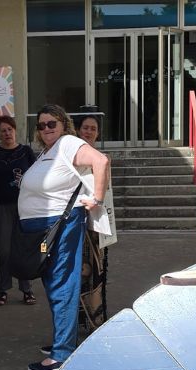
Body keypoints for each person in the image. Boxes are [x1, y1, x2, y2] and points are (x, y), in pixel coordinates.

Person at [18, 104, 110, 370]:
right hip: (43, 229)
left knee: (61, 284)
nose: (46, 128)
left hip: (60, 225)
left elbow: (101, 161)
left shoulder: (69, 143)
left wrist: (97, 199)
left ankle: (62, 353)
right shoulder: (48, 151)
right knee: (53, 283)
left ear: (63, 125)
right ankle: (64, 339)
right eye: (41, 125)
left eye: (51, 124)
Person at [0, 115, 38, 306]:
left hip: (23, 207)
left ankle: (26, 290)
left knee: (23, 249)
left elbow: (36, 174)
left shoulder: (26, 151)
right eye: (3, 130)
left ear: (15, 130)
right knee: (3, 250)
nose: (7, 133)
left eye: (9, 129)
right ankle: (3, 290)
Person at [75, 114, 113, 333]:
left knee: (96, 275)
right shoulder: (72, 157)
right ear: (79, 130)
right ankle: (76, 323)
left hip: (97, 227)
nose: (89, 132)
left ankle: (94, 323)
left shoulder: (102, 158)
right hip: (75, 225)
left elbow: (107, 196)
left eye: (93, 129)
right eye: (85, 128)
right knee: (78, 274)